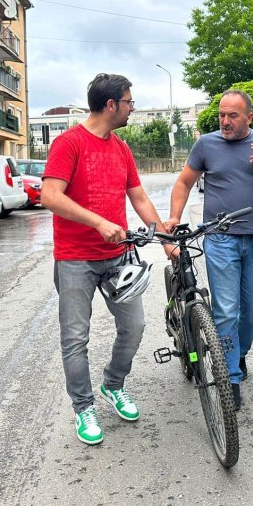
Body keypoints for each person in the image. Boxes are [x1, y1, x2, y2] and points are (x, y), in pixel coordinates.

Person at [41, 73, 172, 446]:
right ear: (112, 104)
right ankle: (84, 407)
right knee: (75, 338)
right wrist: (99, 222)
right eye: (130, 102)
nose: (133, 108)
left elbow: (140, 197)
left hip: (117, 257)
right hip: (75, 259)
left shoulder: (121, 148)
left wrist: (163, 238)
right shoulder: (69, 143)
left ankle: (113, 385)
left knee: (134, 327)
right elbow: (50, 195)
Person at [165, 89, 253, 410]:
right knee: (227, 309)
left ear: (249, 117)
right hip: (220, 239)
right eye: (221, 115)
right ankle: (230, 374)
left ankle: (237, 353)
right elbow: (184, 182)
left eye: (233, 116)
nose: (225, 122)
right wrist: (175, 216)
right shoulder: (206, 145)